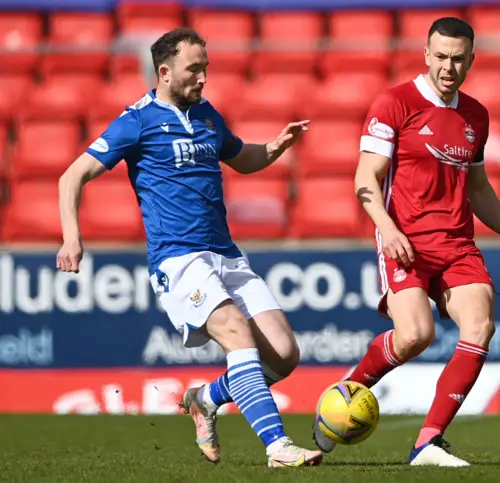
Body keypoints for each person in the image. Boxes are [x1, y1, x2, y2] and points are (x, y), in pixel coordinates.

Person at [56, 27, 323, 468]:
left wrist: (274, 147)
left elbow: (242, 157)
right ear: (164, 72)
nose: (202, 78)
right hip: (179, 259)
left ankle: (204, 398)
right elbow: (71, 177)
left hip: (226, 254)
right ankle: (278, 447)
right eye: (193, 69)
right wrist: (72, 235)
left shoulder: (207, 115)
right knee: (237, 332)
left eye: (206, 69)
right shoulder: (136, 121)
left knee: (284, 354)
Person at [312, 17, 500, 467]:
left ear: (470, 61)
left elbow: (477, 188)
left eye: (458, 59)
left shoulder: (476, 116)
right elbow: (366, 176)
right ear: (426, 55)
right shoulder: (394, 103)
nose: (448, 66)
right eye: (440, 56)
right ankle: (345, 393)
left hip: (457, 244)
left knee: (480, 326)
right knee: (415, 335)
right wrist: (387, 229)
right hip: (405, 241)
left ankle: (428, 442)